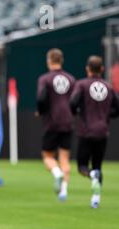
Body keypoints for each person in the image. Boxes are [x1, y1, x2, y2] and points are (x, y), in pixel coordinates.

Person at [70, 55, 119, 208]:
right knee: (98, 165)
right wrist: (107, 117)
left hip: (86, 132)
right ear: (102, 69)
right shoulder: (108, 86)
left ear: (87, 68)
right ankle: (96, 199)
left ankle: (92, 175)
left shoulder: (81, 85)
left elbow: (72, 102)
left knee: (82, 167)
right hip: (103, 132)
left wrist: (76, 112)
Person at [36, 49, 75, 201]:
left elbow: (40, 98)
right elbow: (75, 101)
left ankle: (56, 173)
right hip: (68, 121)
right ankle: (63, 191)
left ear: (49, 61)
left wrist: (41, 111)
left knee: (47, 156)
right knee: (65, 158)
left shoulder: (45, 79)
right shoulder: (71, 79)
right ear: (61, 60)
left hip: (51, 121)